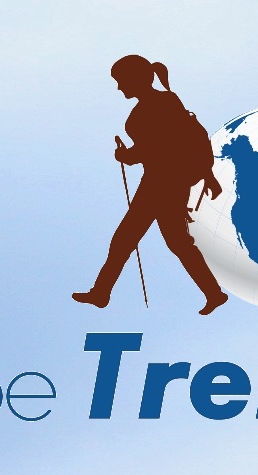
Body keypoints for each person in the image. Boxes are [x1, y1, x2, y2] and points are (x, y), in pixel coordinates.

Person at [79, 52, 230, 311]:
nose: (119, 87)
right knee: (169, 242)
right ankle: (213, 294)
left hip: (164, 182)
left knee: (132, 239)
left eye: (121, 80)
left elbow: (164, 143)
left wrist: (127, 155)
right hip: (162, 181)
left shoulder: (163, 102)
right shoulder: (158, 104)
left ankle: (101, 293)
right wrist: (131, 155)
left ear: (135, 78)